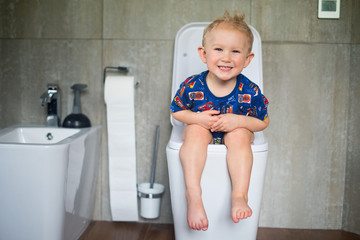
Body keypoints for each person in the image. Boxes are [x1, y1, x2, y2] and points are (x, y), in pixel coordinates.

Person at [170, 11, 269, 231]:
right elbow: (176, 111)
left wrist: (239, 121)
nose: (226, 58)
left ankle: (239, 195)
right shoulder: (192, 86)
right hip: (203, 132)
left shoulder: (250, 90)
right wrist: (197, 118)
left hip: (236, 135)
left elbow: (262, 121)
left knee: (240, 136)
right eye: (218, 49)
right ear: (203, 54)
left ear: (247, 59)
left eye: (235, 51)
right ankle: (193, 194)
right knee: (195, 131)